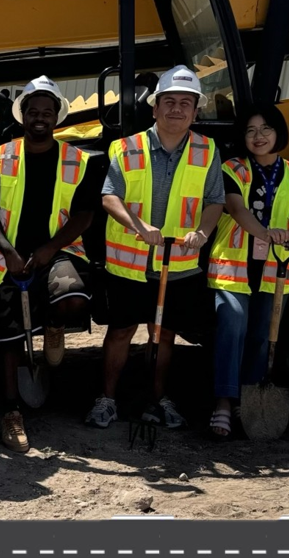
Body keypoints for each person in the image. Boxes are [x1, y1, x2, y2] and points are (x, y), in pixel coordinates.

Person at [86, 65, 226, 431]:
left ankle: (157, 397)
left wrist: (203, 231)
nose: (176, 109)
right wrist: (139, 225)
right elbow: (109, 197)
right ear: (154, 107)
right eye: (169, 102)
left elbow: (214, 200)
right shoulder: (126, 147)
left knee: (164, 333)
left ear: (196, 112)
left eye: (186, 103)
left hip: (178, 263)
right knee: (120, 331)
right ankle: (107, 398)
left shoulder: (207, 150)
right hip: (131, 263)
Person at [0, 76, 100, 453]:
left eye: (48, 112)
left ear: (57, 117)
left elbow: (84, 215)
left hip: (56, 251)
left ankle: (55, 327)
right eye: (34, 112)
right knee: (10, 339)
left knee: (73, 296)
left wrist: (49, 249)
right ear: (23, 116)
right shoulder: (0, 157)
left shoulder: (77, 160)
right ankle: (11, 412)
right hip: (7, 258)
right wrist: (10, 253)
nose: (40, 118)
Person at [207, 104, 289, 437]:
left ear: (279, 132)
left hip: (275, 269)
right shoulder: (231, 169)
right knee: (232, 324)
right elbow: (236, 209)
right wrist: (265, 233)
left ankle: (249, 399)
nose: (259, 136)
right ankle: (224, 401)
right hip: (234, 264)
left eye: (266, 128)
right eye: (251, 131)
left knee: (262, 336)